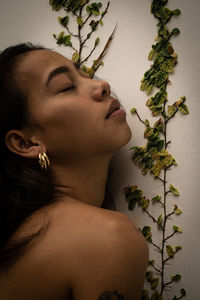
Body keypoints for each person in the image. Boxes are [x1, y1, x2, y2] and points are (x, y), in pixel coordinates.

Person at [0, 43, 149, 299]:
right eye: (66, 87)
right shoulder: (107, 237)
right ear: (26, 143)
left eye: (85, 75)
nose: (101, 86)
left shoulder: (22, 234)